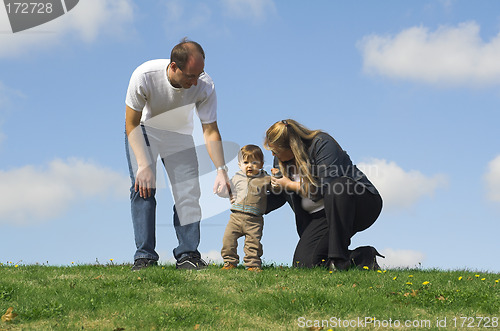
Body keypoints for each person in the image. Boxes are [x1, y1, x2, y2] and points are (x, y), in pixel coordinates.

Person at [125, 38, 229, 271]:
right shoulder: (145, 75)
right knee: (144, 188)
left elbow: (210, 130)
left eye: (199, 74)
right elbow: (131, 124)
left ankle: (188, 255)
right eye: (190, 76)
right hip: (144, 130)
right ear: (173, 67)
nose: (195, 82)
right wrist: (144, 165)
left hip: (179, 135)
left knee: (188, 192)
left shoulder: (205, 85)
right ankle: (145, 257)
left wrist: (222, 171)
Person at [264, 119, 383, 271]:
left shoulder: (322, 144)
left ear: (291, 146)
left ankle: (338, 260)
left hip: (358, 202)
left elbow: (324, 187)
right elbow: (279, 194)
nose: (273, 154)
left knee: (338, 186)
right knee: (305, 264)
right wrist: (244, 202)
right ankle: (362, 256)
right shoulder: (280, 161)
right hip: (323, 215)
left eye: (276, 150)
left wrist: (289, 184)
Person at [220, 145, 271, 272]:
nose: (249, 166)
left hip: (254, 219)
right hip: (235, 217)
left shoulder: (265, 179)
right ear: (239, 164)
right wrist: (222, 190)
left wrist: (276, 179)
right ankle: (229, 262)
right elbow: (228, 191)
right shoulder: (237, 178)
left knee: (253, 244)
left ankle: (253, 264)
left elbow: (276, 189)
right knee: (228, 240)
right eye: (246, 162)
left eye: (254, 163)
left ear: (261, 164)